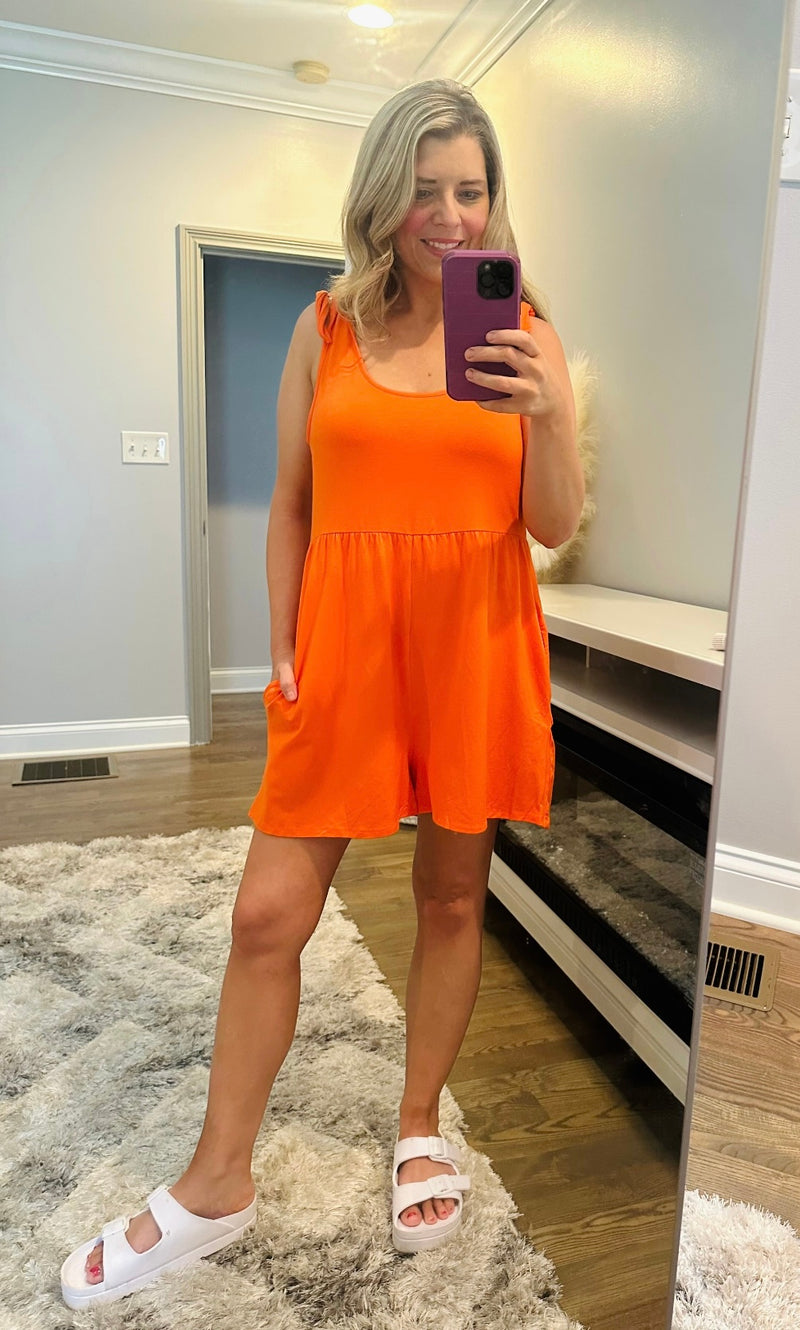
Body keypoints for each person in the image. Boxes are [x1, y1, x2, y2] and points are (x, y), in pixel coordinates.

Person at [60, 77, 583, 1308]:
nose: (448, 215)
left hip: (470, 639)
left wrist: (550, 412)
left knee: (449, 895)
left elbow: (551, 524)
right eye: (424, 189)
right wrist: (283, 637)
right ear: (382, 195)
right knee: (265, 916)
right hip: (345, 649)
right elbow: (291, 502)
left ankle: (417, 1122)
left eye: (470, 190)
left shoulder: (524, 331)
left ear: (492, 199)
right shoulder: (325, 326)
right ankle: (216, 1181)